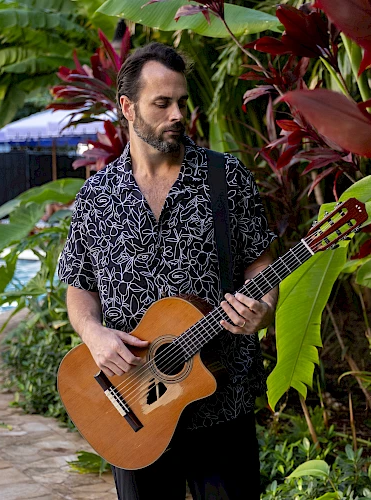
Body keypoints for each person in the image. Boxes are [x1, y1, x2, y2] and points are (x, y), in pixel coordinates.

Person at [58, 42, 278, 500]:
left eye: (181, 101)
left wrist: (263, 307)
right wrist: (94, 335)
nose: (177, 113)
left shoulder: (225, 177)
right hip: (132, 409)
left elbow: (262, 263)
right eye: (162, 103)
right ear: (128, 108)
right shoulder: (96, 196)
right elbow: (79, 286)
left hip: (221, 400)